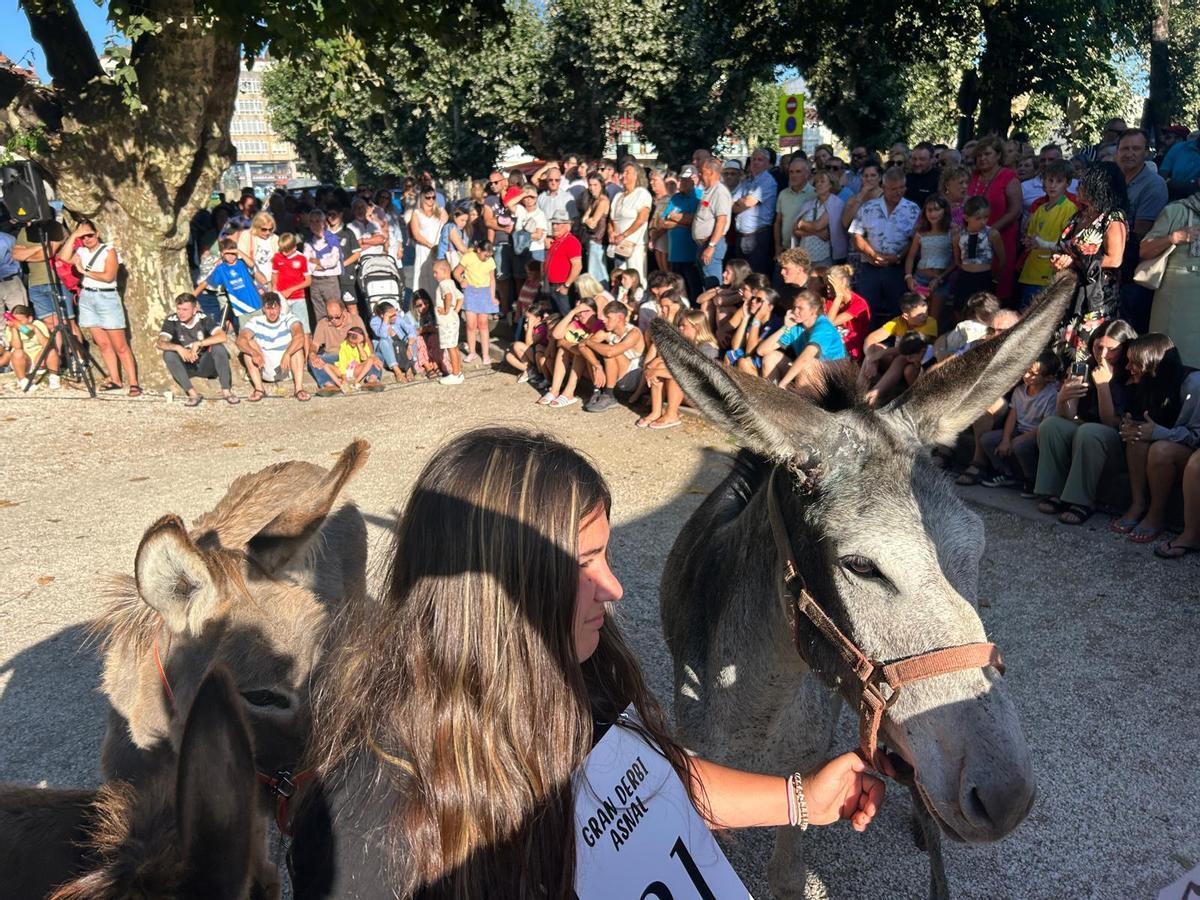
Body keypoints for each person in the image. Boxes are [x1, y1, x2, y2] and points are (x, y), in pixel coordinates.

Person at [290, 429, 888, 898]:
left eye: (606, 555)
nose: (614, 587)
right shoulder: (361, 826)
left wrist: (802, 798)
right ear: (491, 591)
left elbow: (647, 786)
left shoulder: (587, 678)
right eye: (583, 563)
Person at [1034, 319, 1137, 525]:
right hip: (1085, 433)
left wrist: (1103, 386)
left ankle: (1081, 501)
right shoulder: (1084, 367)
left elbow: (1110, 423)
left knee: (1090, 431)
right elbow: (1067, 415)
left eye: (1112, 349)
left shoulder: (1132, 372)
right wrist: (1063, 397)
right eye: (1099, 347)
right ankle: (1054, 492)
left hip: (1116, 442)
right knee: (1051, 425)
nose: (1103, 354)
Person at [1112, 334, 1193, 543]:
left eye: (1134, 363)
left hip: (1189, 456)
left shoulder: (1193, 385)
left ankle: (1156, 514)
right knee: (1137, 435)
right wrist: (1128, 425)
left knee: (1160, 450)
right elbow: (1141, 421)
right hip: (1165, 444)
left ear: (1152, 363)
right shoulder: (1146, 383)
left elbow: (1196, 437)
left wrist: (1159, 433)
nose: (1128, 367)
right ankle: (1138, 503)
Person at [1050, 162, 1130, 364]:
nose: (1078, 187)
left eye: (1084, 183)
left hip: (1095, 296)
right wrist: (1061, 259)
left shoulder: (1112, 217)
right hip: (1069, 292)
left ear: (1099, 186)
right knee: (1059, 351)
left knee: (1084, 353)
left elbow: (1115, 259)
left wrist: (1077, 262)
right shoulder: (1080, 215)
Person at [58, 220, 141, 395]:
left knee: (120, 345)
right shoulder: (81, 251)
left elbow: (108, 276)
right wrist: (74, 236)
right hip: (87, 297)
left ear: (97, 234)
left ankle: (134, 383)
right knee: (102, 343)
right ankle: (115, 379)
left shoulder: (108, 251)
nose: (87, 239)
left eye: (90, 235)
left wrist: (84, 271)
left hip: (106, 297)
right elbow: (63, 257)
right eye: (83, 237)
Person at [977, 350, 1061, 491]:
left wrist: (1018, 439)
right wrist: (1005, 439)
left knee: (1019, 445)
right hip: (1019, 430)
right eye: (1026, 370)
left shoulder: (1051, 395)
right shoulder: (1020, 390)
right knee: (987, 439)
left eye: (1033, 374)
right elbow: (1012, 416)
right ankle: (1006, 473)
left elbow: (1045, 425)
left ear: (1049, 378)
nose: (1026, 376)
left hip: (1036, 434)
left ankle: (1031, 480)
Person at [848, 167, 920, 322]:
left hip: (898, 269)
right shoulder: (868, 207)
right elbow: (856, 235)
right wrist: (873, 254)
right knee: (865, 311)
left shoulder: (913, 210)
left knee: (899, 312)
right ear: (884, 187)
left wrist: (898, 256)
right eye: (893, 189)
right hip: (870, 268)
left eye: (902, 187)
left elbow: (915, 240)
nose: (898, 192)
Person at [1116, 129, 1170, 332]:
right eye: (1125, 149)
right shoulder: (1113, 179)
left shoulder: (1154, 185)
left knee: (1128, 330)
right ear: (1117, 152)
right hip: (1110, 266)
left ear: (1146, 152)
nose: (1129, 153)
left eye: (1136, 149)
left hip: (1134, 268)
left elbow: (1141, 233)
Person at [1142, 192, 1200, 368]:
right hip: (1176, 305)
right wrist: (1173, 238)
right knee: (1168, 363)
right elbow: (1144, 250)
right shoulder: (1176, 210)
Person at [638, 309, 721, 429]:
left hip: (705, 397)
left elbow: (689, 373)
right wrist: (652, 368)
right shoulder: (686, 344)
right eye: (679, 325)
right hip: (691, 392)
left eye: (684, 326)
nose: (679, 328)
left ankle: (672, 416)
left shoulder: (708, 348)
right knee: (661, 368)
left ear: (697, 327)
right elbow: (667, 362)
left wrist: (653, 371)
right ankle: (656, 412)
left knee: (677, 375)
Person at [755, 288, 847, 389]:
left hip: (834, 381)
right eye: (794, 307)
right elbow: (761, 351)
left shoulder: (824, 327)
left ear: (814, 310)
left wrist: (783, 384)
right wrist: (785, 327)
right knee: (771, 358)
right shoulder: (796, 326)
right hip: (810, 373)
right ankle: (772, 395)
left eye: (800, 308)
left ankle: (795, 398)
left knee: (807, 366)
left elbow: (806, 357)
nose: (795, 311)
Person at [966, 136, 1022, 301]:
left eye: (987, 154)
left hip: (1000, 237)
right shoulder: (972, 176)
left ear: (998, 155)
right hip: (972, 238)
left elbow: (1015, 211)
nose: (982, 158)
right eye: (979, 155)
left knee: (996, 289)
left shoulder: (1009, 177)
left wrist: (991, 230)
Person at [1017, 161, 1077, 309]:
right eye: (1050, 180)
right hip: (1032, 271)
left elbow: (1068, 245)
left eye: (1059, 181)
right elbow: (1030, 236)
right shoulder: (1040, 209)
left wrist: (1042, 243)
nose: (1053, 185)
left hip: (1051, 272)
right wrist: (1028, 241)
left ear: (1068, 184)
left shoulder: (1070, 209)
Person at [157, 293, 236, 407]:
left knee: (218, 347)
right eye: (179, 309)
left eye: (185, 309)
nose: (181, 313)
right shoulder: (172, 320)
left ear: (194, 310)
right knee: (168, 354)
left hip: (204, 363)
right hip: (185, 365)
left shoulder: (203, 319)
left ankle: (226, 391)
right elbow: (160, 343)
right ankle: (193, 394)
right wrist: (178, 348)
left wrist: (199, 343)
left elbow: (222, 336)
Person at [237, 292, 308, 401]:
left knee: (297, 346)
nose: (272, 312)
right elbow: (240, 340)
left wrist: (287, 354)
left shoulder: (289, 318)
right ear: (263, 309)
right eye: (268, 308)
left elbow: (300, 336)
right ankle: (259, 389)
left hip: (286, 368)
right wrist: (253, 353)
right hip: (264, 367)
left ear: (280, 308)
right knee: (248, 345)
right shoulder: (255, 321)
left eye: (274, 308)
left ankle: (299, 389)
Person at [859, 292, 938, 386]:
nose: (925, 316)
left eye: (926, 312)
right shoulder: (898, 322)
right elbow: (870, 338)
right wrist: (871, 359)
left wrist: (880, 354)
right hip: (897, 361)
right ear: (906, 316)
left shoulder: (930, 323)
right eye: (919, 315)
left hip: (916, 363)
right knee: (873, 348)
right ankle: (859, 387)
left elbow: (910, 349)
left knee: (904, 361)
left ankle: (878, 391)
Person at [193, 237, 265, 329]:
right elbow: (206, 283)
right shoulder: (221, 269)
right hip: (241, 310)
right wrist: (192, 296)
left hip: (256, 304)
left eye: (233, 253)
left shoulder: (242, 263)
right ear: (222, 254)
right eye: (227, 254)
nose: (231, 256)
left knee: (262, 331)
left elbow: (252, 264)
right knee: (245, 333)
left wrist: (238, 251)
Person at [904, 193, 954, 322]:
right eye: (929, 210)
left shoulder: (952, 232)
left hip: (941, 281)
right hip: (920, 279)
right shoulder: (921, 233)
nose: (932, 214)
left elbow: (956, 261)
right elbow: (910, 257)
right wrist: (909, 277)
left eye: (936, 209)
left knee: (933, 320)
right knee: (917, 318)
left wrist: (940, 278)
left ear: (944, 211)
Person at [952, 196, 1006, 314]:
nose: (983, 221)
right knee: (960, 310)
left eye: (986, 217)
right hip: (965, 278)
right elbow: (957, 260)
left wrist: (995, 278)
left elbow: (1002, 259)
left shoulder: (992, 234)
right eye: (978, 218)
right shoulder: (958, 236)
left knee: (984, 312)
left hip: (984, 278)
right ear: (966, 217)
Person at [730, 148, 779, 274]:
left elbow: (748, 202)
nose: (756, 162)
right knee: (740, 276)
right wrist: (741, 203)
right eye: (753, 159)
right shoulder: (746, 181)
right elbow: (731, 204)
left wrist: (741, 202)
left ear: (767, 163)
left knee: (756, 275)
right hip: (741, 235)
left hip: (758, 236)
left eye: (760, 160)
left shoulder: (768, 181)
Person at [453, 242, 498, 367]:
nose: (487, 258)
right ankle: (472, 352)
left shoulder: (490, 261)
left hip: (484, 292)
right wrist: (461, 280)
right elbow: (456, 272)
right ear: (478, 250)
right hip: (470, 292)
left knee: (483, 324)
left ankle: (485, 354)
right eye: (485, 255)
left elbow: (492, 279)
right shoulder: (468, 257)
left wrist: (492, 296)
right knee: (471, 325)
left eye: (489, 256)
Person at [308, 299, 366, 395]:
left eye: (337, 317)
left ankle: (373, 379)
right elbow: (315, 344)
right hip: (333, 356)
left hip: (353, 356)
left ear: (344, 311)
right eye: (330, 317)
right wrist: (312, 354)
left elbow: (366, 339)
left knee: (377, 356)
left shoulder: (355, 319)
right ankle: (328, 384)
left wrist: (371, 354)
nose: (333, 320)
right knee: (314, 360)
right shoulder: (323, 323)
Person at [661, 166, 702, 300]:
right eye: (681, 180)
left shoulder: (700, 196)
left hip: (691, 253)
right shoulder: (675, 198)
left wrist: (674, 217)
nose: (682, 183)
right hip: (675, 254)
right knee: (677, 290)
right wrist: (681, 222)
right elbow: (663, 222)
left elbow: (695, 220)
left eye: (686, 180)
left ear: (694, 180)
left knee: (693, 289)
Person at [692, 157, 732, 289]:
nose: (699, 174)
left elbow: (722, 221)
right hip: (703, 244)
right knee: (706, 284)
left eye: (702, 172)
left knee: (713, 284)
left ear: (711, 172)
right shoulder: (708, 191)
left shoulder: (719, 192)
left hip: (712, 244)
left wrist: (711, 246)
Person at [608, 163, 653, 280]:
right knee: (619, 277)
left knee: (635, 278)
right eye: (623, 172)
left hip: (634, 244)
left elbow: (642, 219)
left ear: (636, 176)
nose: (623, 175)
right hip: (618, 245)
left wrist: (624, 235)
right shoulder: (618, 196)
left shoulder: (642, 194)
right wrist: (611, 232)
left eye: (627, 172)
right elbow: (611, 219)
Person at [822, 264, 871, 361]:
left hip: (853, 346)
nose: (827, 289)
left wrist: (839, 296)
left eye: (831, 285)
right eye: (826, 285)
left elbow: (829, 323)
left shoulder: (859, 303)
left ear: (843, 282)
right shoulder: (830, 301)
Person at [4, 304, 58, 390]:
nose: (18, 323)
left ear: (29, 319)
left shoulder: (38, 324)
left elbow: (47, 345)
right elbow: (17, 347)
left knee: (51, 350)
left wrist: (36, 329)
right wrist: (14, 328)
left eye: (20, 321)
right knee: (18, 352)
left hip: (39, 359)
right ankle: (22, 380)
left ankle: (54, 377)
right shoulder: (10, 328)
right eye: (15, 320)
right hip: (23, 361)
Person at [304, 209, 344, 322]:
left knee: (335, 312)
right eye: (312, 221)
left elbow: (333, 261)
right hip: (315, 281)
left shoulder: (332, 239)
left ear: (324, 223)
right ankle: (324, 333)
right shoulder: (308, 241)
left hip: (330, 280)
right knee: (320, 315)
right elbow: (306, 261)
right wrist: (315, 265)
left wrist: (317, 261)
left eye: (318, 221)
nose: (315, 224)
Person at [793, 171, 838, 269]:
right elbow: (795, 230)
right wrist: (816, 233)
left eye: (822, 181)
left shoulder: (835, 203)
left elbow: (818, 225)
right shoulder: (808, 204)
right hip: (804, 256)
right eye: (816, 182)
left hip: (824, 256)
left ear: (831, 185)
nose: (818, 184)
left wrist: (802, 223)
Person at [271, 232, 312, 335]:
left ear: (294, 247)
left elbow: (308, 281)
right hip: (282, 298)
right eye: (282, 250)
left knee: (303, 328)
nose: (284, 253)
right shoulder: (277, 257)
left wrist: (291, 290)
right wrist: (274, 288)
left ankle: (306, 345)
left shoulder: (302, 258)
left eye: (286, 250)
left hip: (298, 298)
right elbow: (274, 274)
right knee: (283, 328)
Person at [409, 188, 445, 301]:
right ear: (422, 198)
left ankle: (437, 302)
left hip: (438, 248)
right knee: (423, 275)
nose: (431, 200)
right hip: (423, 248)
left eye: (433, 197)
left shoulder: (440, 211)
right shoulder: (416, 213)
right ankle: (422, 302)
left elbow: (447, 227)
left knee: (438, 275)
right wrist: (430, 245)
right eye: (428, 197)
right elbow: (416, 234)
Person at [775, 155, 814, 258]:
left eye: (798, 171)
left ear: (807, 174)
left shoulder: (814, 194)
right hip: (785, 249)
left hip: (806, 250)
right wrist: (777, 246)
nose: (793, 175)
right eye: (791, 172)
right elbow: (778, 222)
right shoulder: (783, 194)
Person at [545, 211, 583, 316]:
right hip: (554, 285)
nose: (554, 226)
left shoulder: (571, 241)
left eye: (558, 224)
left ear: (567, 225)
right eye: (553, 223)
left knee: (566, 315)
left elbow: (577, 266)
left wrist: (566, 286)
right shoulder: (557, 241)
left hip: (562, 285)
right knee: (557, 315)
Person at [370, 300, 417, 383]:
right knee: (384, 341)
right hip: (386, 351)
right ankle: (397, 371)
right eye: (391, 315)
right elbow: (383, 334)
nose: (395, 317)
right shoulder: (374, 321)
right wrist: (386, 320)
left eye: (395, 314)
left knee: (411, 338)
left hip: (400, 349)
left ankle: (409, 368)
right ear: (382, 315)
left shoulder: (397, 318)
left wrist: (409, 344)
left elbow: (411, 329)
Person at [433, 260, 464, 384]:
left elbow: (449, 295)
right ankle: (459, 372)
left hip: (446, 321)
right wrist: (455, 310)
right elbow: (461, 297)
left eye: (436, 272)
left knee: (450, 347)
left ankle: (455, 374)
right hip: (453, 319)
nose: (434, 275)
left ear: (445, 271)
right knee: (454, 346)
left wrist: (446, 310)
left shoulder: (443, 284)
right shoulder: (452, 283)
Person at [580, 173, 611, 286]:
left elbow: (592, 223)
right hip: (593, 240)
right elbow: (583, 219)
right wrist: (587, 220)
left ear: (601, 185)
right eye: (590, 185)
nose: (592, 188)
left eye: (595, 185)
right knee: (594, 274)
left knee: (598, 275)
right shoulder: (594, 201)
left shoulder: (603, 201)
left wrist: (588, 220)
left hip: (598, 241)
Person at [236, 212, 278, 286]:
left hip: (271, 281)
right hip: (251, 280)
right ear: (256, 227)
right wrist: (254, 272)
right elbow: (240, 258)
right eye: (264, 229)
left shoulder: (275, 238)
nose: (267, 232)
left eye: (270, 229)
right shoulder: (247, 236)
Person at [1159, 125, 1200, 199]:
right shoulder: (1179, 147)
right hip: (1168, 199)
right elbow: (1162, 175)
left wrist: (1170, 183)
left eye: (1168, 137)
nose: (1163, 140)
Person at [904, 142, 941, 208]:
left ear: (932, 160)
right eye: (914, 159)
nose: (917, 163)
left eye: (922, 159)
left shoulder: (940, 179)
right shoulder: (906, 178)